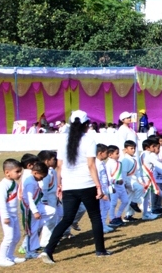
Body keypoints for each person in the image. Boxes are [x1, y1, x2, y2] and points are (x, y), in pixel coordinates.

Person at [42, 110, 110, 264]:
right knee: (95, 217)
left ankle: (48, 250)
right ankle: (100, 250)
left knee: (66, 219)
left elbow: (59, 166)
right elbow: (91, 165)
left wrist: (59, 184)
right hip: (87, 185)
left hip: (69, 186)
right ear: (87, 124)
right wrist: (98, 186)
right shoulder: (89, 140)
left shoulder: (63, 141)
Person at [0, 159, 24, 267]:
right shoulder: (2, 185)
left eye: (20, 171)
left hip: (14, 214)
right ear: (7, 172)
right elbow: (2, 202)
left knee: (16, 236)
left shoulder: (13, 183)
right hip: (6, 215)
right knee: (8, 237)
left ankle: (10, 255)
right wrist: (6, 217)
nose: (20, 174)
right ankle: (1, 259)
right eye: (17, 171)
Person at [20, 160, 47, 259]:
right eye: (41, 177)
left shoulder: (33, 180)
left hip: (35, 206)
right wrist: (35, 211)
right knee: (31, 230)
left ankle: (34, 247)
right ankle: (29, 251)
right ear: (35, 173)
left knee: (51, 212)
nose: (41, 179)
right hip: (29, 210)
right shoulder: (30, 182)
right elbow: (29, 198)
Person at [104, 146, 128, 228]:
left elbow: (122, 175)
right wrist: (115, 181)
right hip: (113, 186)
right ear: (110, 155)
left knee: (125, 201)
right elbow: (108, 177)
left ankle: (118, 216)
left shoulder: (119, 163)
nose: (118, 155)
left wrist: (124, 183)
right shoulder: (108, 164)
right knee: (113, 203)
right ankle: (112, 219)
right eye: (116, 153)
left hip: (121, 186)